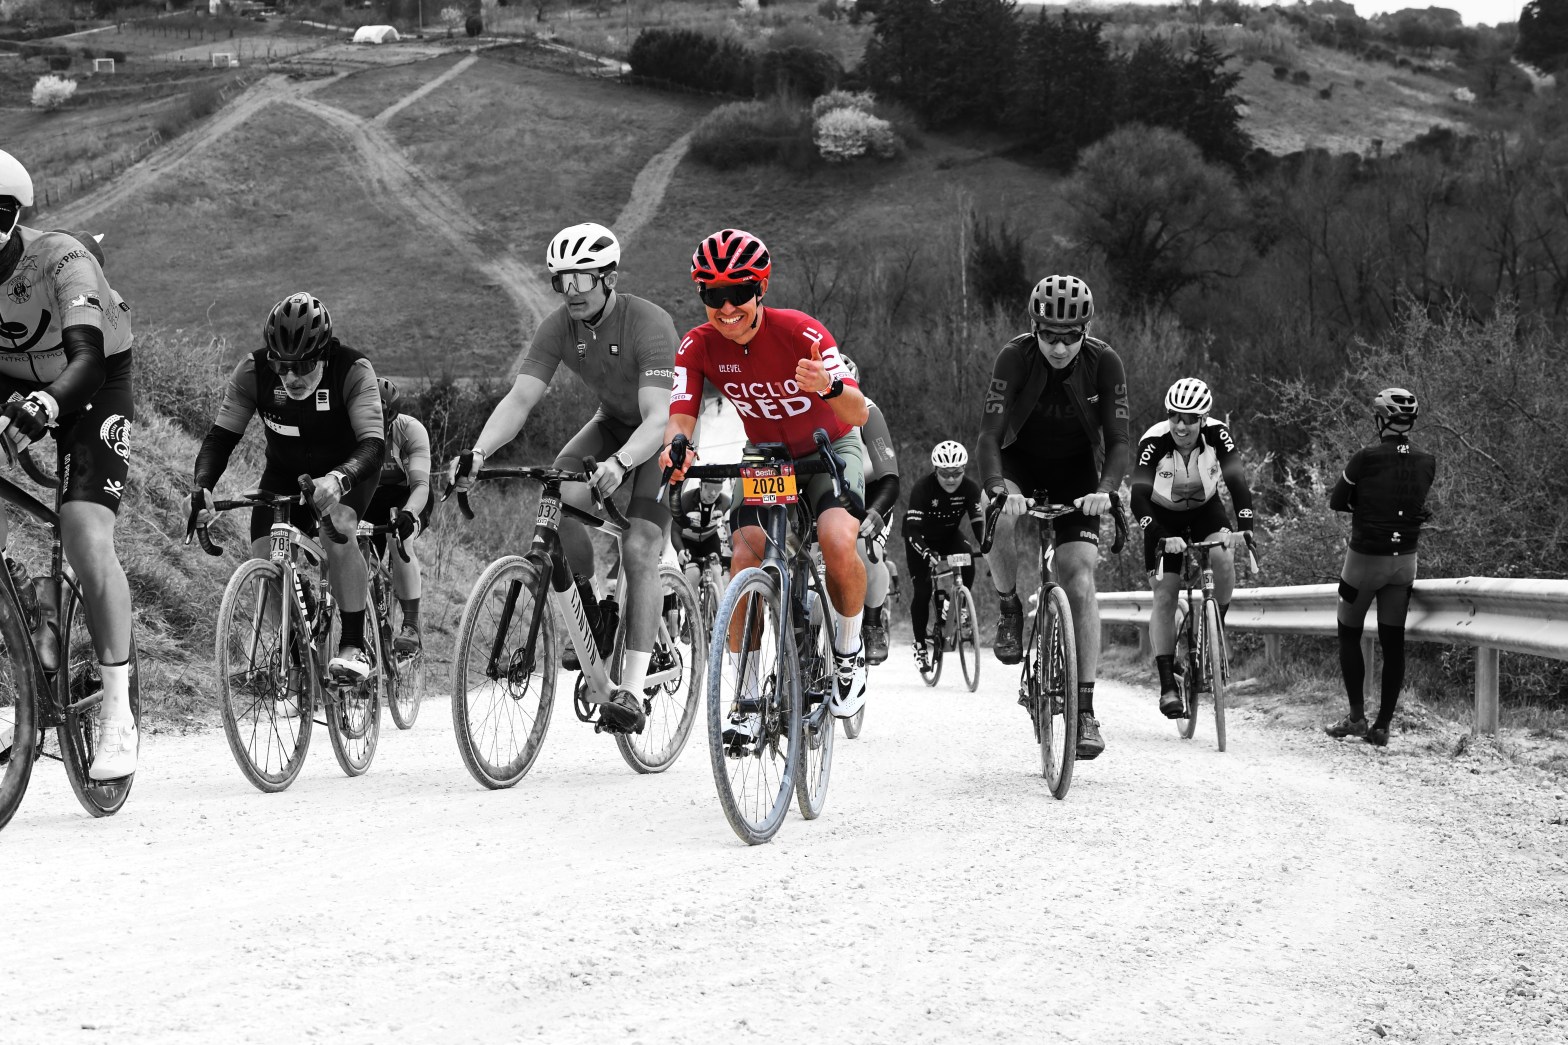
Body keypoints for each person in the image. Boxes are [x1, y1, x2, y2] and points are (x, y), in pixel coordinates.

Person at [447, 222, 678, 734]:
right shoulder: (559, 327)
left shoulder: (648, 324)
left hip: (659, 432)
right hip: (609, 424)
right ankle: (592, 611)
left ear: (609, 278)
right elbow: (520, 399)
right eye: (561, 281)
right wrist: (479, 453)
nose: (570, 291)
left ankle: (634, 691)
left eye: (582, 279)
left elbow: (657, 418)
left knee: (641, 546)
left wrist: (620, 464)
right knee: (555, 491)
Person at [660, 228, 871, 730]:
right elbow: (682, 413)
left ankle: (848, 651)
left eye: (739, 293)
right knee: (745, 553)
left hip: (828, 447)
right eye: (714, 295)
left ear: (761, 290)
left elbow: (858, 412)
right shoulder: (698, 344)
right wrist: (678, 446)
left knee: (836, 538)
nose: (727, 307)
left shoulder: (803, 332)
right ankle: (749, 695)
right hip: (768, 457)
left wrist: (830, 383)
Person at [0, 150, 138, 780]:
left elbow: (85, 356)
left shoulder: (60, 259)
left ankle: (117, 712)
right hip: (10, 383)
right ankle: (25, 638)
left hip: (92, 381)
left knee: (83, 532)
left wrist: (47, 405)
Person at [189, 293, 385, 684]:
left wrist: (339, 478)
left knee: (339, 528)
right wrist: (202, 486)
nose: (291, 377)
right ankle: (297, 657)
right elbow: (220, 438)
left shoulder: (352, 369)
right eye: (281, 364)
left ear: (325, 354)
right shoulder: (253, 371)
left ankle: (352, 645)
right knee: (264, 552)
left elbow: (374, 445)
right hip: (285, 473)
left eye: (304, 365)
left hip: (348, 472)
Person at [976, 274, 1129, 760]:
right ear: (1035, 328)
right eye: (1049, 336)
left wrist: (1106, 491)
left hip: (1077, 475)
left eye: (1070, 337)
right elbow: (988, 435)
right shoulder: (1014, 357)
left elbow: (1120, 441)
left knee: (1080, 579)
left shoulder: (1104, 362)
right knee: (997, 514)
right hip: (1020, 464)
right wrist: (999, 489)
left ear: (1085, 331)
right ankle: (1008, 606)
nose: (1059, 348)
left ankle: (1084, 711)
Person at [1130, 378, 1256, 719]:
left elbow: (1236, 480)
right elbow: (1137, 496)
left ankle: (1216, 628)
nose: (1181, 425)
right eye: (1174, 416)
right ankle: (1168, 683)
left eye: (1189, 418)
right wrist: (1158, 534)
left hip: (1205, 509)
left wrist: (1245, 526)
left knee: (1223, 554)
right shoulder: (1153, 441)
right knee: (1166, 594)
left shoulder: (1219, 435)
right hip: (1161, 516)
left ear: (1204, 419)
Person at [1324, 388, 1436, 748]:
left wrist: (1365, 503)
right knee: (1393, 643)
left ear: (1380, 419)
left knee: (1348, 632)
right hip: (1404, 564)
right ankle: (1384, 725)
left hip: (1364, 562)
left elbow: (1337, 501)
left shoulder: (1365, 458)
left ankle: (1357, 717)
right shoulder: (1427, 460)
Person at [902, 440, 985, 673]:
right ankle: (919, 645)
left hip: (949, 535)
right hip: (919, 539)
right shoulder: (922, 488)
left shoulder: (969, 488)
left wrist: (986, 545)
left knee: (968, 555)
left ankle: (956, 604)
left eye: (957, 473)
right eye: (945, 474)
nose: (951, 479)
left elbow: (978, 522)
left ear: (964, 470)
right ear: (935, 470)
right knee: (923, 591)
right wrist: (926, 551)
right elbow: (913, 530)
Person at [366, 377, 431, 653]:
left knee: (398, 538)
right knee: (354, 551)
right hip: (370, 497)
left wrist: (409, 514)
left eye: (383, 423)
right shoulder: (348, 430)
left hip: (407, 497)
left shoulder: (410, 431)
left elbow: (420, 486)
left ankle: (411, 626)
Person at [844, 354, 900, 666]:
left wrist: (877, 510)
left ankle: (873, 623)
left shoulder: (867, 410)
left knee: (866, 553)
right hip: (826, 495)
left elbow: (890, 476)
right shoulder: (805, 411)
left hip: (870, 495)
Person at [671, 477, 732, 598]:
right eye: (709, 488)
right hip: (688, 542)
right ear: (701, 485)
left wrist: (733, 545)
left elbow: (729, 528)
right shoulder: (686, 500)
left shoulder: (725, 502)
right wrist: (680, 550)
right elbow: (675, 531)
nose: (713, 493)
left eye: (717, 489)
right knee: (692, 573)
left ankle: (720, 612)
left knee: (716, 571)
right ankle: (693, 614)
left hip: (710, 541)